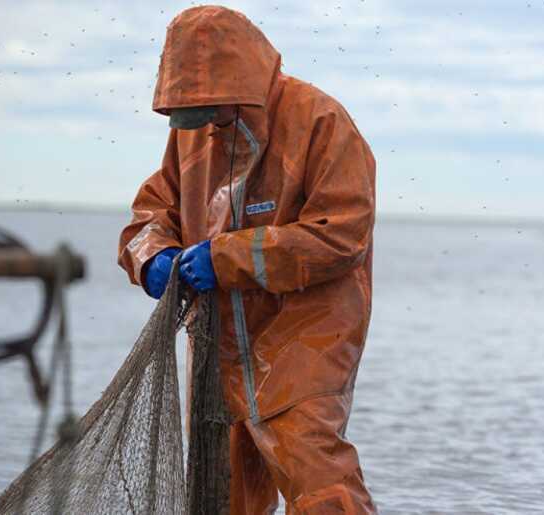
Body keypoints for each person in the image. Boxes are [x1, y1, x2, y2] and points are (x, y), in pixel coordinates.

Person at [117, 5, 377, 514]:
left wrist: (226, 258)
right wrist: (152, 257)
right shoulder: (194, 132)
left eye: (213, 107)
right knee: (226, 496)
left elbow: (342, 234)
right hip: (219, 352)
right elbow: (150, 213)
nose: (207, 120)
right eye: (194, 109)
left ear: (239, 80)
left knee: (319, 479)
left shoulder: (320, 120)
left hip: (306, 344)